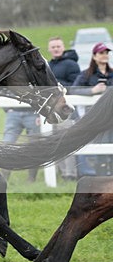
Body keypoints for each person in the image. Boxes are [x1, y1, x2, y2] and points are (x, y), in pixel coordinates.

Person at [71, 42, 113, 176]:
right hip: (98, 118)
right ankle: (101, 179)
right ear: (94, 56)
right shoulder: (86, 75)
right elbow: (73, 89)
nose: (105, 56)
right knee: (101, 148)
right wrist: (92, 90)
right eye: (101, 53)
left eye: (106, 53)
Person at [47, 36, 80, 180]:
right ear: (49, 49)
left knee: (66, 142)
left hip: (67, 110)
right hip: (52, 111)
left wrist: (58, 87)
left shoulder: (71, 64)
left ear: (63, 47)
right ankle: (62, 173)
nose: (55, 49)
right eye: (53, 47)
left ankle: (71, 174)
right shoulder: (48, 66)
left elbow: (75, 86)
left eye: (58, 46)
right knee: (54, 144)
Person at [1, 107, 41, 182]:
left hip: (33, 113)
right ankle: (3, 179)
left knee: (34, 147)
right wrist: (7, 108)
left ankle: (31, 180)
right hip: (14, 113)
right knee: (6, 146)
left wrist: (41, 114)